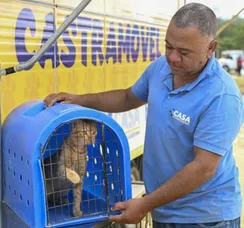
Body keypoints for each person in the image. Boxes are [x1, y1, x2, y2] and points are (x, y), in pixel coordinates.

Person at [44, 3, 244, 228]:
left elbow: (203, 167)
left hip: (206, 218)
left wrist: (146, 203)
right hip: (164, 210)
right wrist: (79, 99)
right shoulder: (161, 68)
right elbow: (128, 97)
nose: (173, 58)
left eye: (184, 52)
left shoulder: (222, 97)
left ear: (211, 47)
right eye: (168, 46)